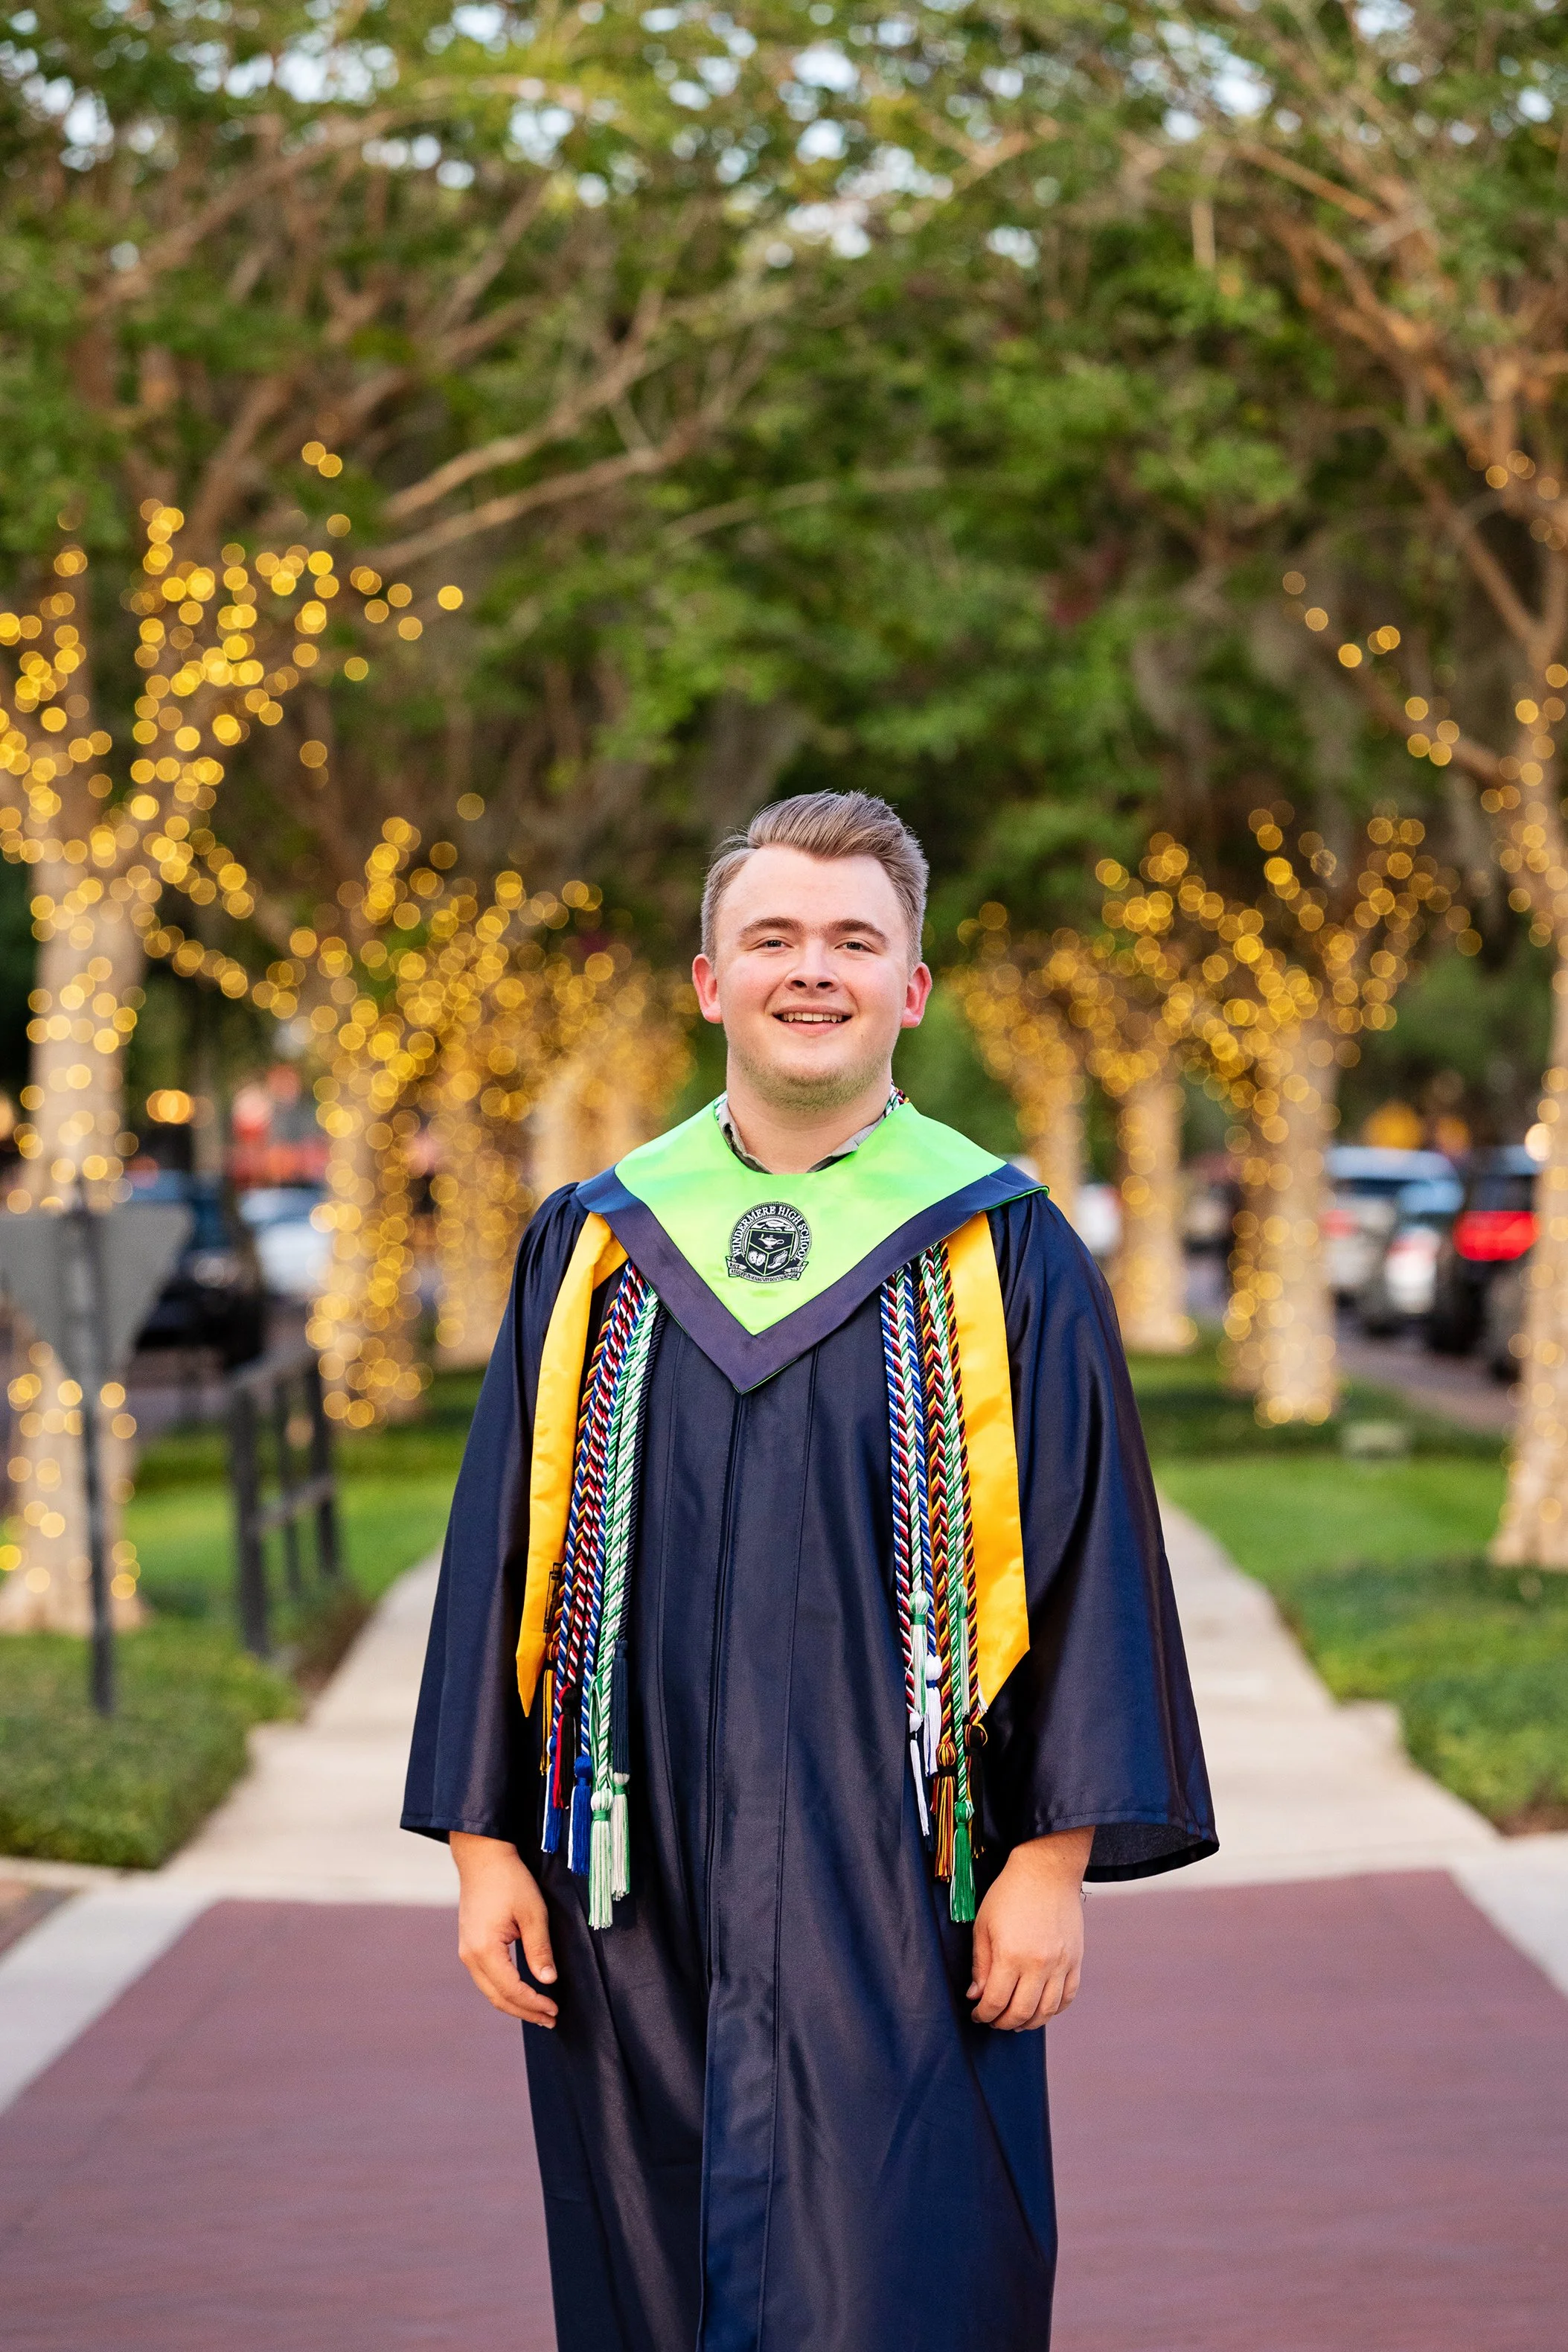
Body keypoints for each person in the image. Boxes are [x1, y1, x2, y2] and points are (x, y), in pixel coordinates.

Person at [403, 790, 1216, 2352]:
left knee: (908, 2258)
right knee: (646, 2260)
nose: (811, 970)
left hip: (906, 1871)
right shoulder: (595, 1239)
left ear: (911, 987)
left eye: (855, 939)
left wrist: (1048, 1860)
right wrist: (481, 1836)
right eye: (770, 937)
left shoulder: (1004, 1244)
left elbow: (1087, 1546)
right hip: (629, 1878)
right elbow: (501, 1545)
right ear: (709, 979)